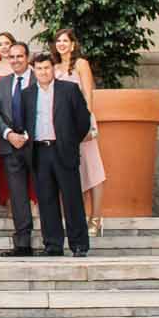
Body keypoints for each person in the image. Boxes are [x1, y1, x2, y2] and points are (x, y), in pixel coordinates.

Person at [28, 49, 93, 256]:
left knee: (72, 198)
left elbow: (83, 120)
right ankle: (53, 245)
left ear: (53, 69)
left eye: (46, 67)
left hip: (63, 150)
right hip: (39, 151)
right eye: (39, 68)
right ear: (34, 71)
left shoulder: (69, 89)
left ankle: (79, 245)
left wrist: (70, 141)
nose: (43, 72)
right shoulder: (27, 94)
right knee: (46, 200)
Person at [55, 28, 107, 236]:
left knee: (92, 168)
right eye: (58, 40)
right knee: (69, 171)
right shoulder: (55, 67)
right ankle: (73, 219)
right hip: (61, 127)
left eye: (65, 40)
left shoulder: (80, 64)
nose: (61, 44)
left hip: (81, 123)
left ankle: (96, 218)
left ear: (73, 44)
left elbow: (88, 94)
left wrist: (87, 122)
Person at [0, 39, 39, 257]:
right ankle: (22, 243)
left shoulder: (40, 78)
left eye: (20, 56)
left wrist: (26, 135)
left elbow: (44, 110)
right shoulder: (2, 83)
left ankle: (52, 241)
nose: (16, 60)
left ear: (27, 57)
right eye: (12, 57)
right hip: (10, 146)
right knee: (18, 196)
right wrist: (9, 135)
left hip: (37, 145)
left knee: (44, 192)